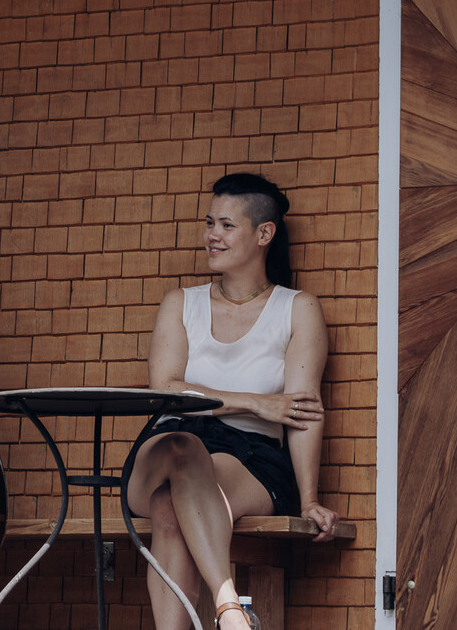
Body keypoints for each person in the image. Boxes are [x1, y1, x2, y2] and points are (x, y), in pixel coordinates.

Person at [129, 173, 341, 630]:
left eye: (226, 225)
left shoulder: (296, 308)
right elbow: (166, 390)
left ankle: (220, 614)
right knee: (181, 446)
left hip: (250, 458)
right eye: (209, 223)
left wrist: (308, 501)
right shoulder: (180, 303)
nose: (211, 236)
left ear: (264, 234)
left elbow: (303, 411)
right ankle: (229, 607)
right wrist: (257, 403)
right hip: (167, 445)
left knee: (170, 505)